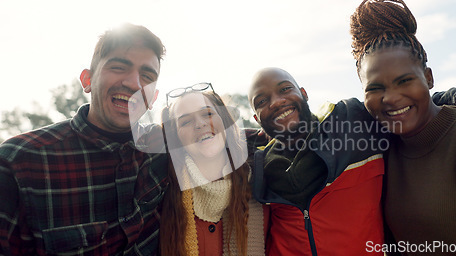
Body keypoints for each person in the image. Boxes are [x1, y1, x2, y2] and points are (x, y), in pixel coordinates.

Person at [247, 66, 456, 255]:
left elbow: (422, 101)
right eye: (262, 101)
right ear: (257, 118)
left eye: (284, 89)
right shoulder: (255, 166)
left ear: (303, 93)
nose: (277, 101)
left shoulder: (351, 121)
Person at [0, 23, 168, 255]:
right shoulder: (18, 161)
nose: (134, 84)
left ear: (153, 97)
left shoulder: (165, 146)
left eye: (147, 76)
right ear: (87, 80)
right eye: (119, 67)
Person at [350, 0, 456, 254]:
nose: (391, 98)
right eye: (375, 88)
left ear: (429, 78)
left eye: (405, 81)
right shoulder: (380, 151)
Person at [157, 83, 268, 256]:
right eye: (185, 121)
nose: (200, 124)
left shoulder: (263, 186)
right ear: (175, 137)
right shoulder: (160, 197)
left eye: (207, 113)